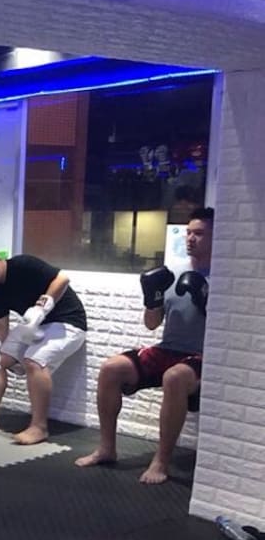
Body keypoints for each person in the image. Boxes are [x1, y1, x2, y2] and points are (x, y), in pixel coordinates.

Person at [76, 206, 213, 484]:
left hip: (203, 355)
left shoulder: (228, 280)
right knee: (111, 368)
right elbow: (151, 324)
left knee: (174, 377)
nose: (190, 238)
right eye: (188, 232)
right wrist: (152, 299)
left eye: (199, 233)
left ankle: (161, 461)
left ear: (216, 237)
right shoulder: (172, 275)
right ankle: (107, 448)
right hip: (168, 349)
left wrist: (206, 303)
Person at [0, 243, 87, 445]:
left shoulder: (23, 264)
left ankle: (39, 428)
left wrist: (42, 307)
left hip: (69, 323)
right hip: (35, 326)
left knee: (33, 361)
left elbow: (62, 278)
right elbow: (0, 327)